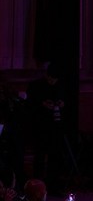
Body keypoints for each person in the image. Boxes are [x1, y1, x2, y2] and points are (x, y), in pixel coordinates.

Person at [26, 63, 69, 193]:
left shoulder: (60, 85)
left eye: (54, 80)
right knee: (39, 155)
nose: (52, 82)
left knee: (54, 155)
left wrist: (61, 103)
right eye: (51, 79)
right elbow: (30, 105)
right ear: (47, 76)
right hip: (40, 126)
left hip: (55, 125)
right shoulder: (36, 86)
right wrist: (43, 104)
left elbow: (64, 100)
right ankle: (36, 185)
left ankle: (52, 183)